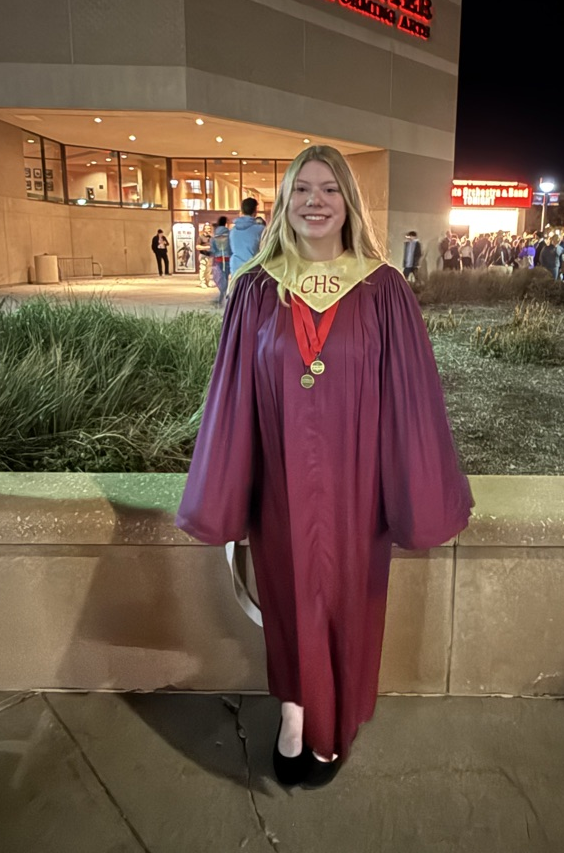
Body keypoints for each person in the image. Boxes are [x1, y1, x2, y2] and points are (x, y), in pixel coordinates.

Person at [175, 145, 472, 789]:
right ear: (285, 202)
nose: (315, 200)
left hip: (357, 484)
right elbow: (231, 394)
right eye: (302, 188)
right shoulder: (257, 288)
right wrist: (232, 482)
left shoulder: (382, 288)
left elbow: (411, 395)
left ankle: (334, 716)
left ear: (348, 204)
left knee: (348, 596)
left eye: (329, 189)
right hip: (281, 483)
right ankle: (294, 711)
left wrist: (412, 485)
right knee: (289, 596)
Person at [229, 197, 266, 276]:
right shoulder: (260, 230)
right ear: (255, 211)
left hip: (236, 269)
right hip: (253, 269)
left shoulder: (233, 231)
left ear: (242, 211)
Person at [210, 217, 231, 306]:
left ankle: (221, 297)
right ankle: (223, 296)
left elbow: (213, 250)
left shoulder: (214, 237)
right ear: (226, 223)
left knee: (220, 278)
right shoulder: (230, 235)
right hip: (228, 259)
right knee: (226, 278)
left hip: (218, 259)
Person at [197, 222, 214, 288]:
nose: (208, 230)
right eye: (207, 228)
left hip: (210, 255)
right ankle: (202, 282)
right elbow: (198, 247)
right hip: (203, 255)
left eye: (209, 228)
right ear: (204, 229)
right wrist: (206, 247)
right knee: (203, 269)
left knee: (209, 270)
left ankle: (208, 281)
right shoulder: (200, 237)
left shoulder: (212, 237)